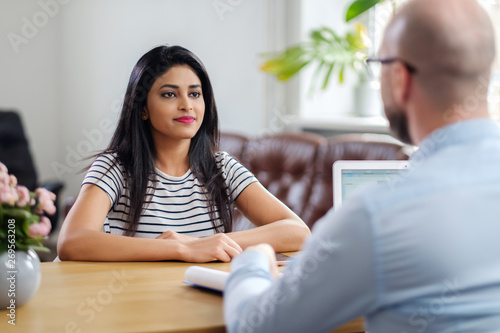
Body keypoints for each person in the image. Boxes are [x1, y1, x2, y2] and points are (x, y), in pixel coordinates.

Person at [224, 0, 500, 331]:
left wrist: (252, 261)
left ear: (399, 78)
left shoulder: (378, 215)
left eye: (378, 62)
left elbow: (255, 326)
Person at [57, 45, 310, 262]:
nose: (186, 105)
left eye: (194, 93)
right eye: (169, 94)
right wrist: (179, 247)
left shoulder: (221, 167)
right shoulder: (115, 167)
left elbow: (298, 232)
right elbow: (72, 241)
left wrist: (215, 242)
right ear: (142, 108)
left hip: (198, 296)